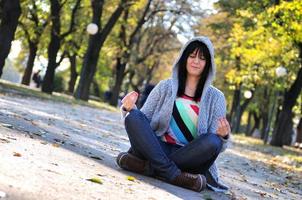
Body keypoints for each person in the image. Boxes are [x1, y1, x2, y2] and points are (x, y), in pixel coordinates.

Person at [116, 36, 231, 192]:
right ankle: (174, 175)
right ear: (184, 58)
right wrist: (128, 108)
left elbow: (214, 146)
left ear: (208, 64)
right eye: (192, 56)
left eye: (202, 58)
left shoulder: (216, 98)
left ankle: (149, 167)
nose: (196, 61)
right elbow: (143, 121)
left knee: (213, 142)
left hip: (189, 156)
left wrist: (223, 137)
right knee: (133, 117)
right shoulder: (165, 86)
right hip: (157, 147)